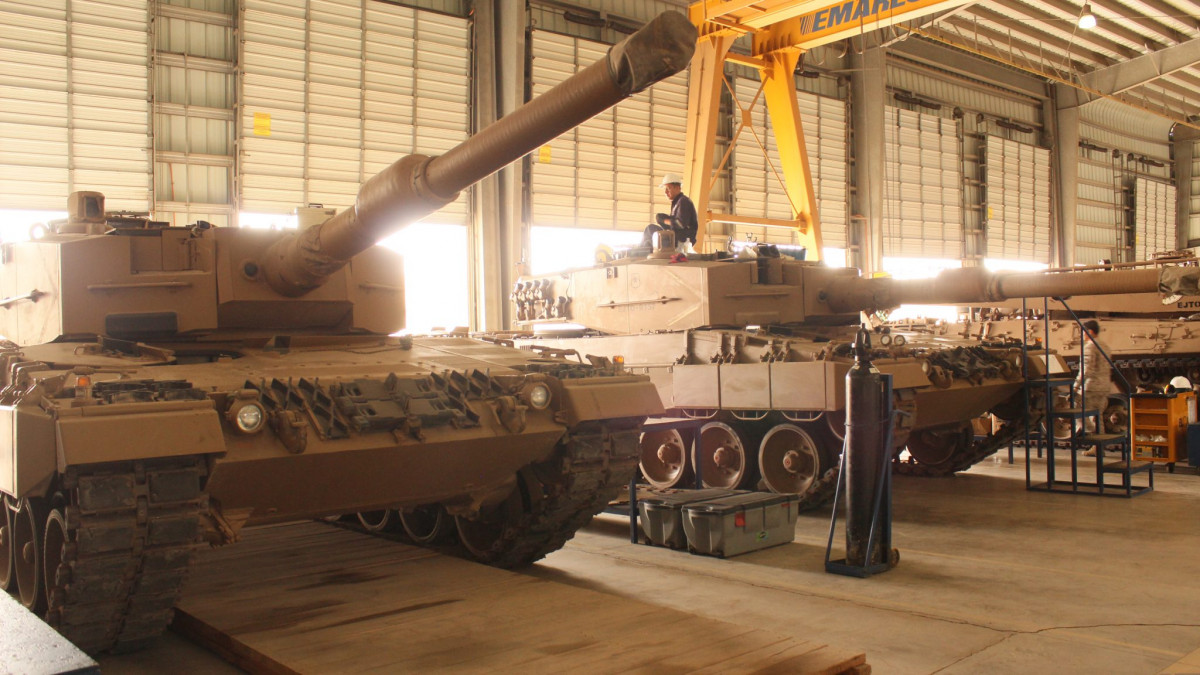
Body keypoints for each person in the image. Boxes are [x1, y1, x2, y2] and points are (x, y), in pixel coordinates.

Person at [1076, 319, 1115, 454]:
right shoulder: (1105, 346)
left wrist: (1075, 387)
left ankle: (1092, 435)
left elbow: (1086, 369)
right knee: (1097, 416)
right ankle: (1098, 447)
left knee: (1077, 411)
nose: (1082, 335)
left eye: (1083, 332)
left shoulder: (1090, 347)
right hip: (1104, 386)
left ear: (1090, 332)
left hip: (1091, 387)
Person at [655, 173, 698, 251]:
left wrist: (664, 221)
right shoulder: (677, 203)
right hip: (677, 237)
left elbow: (680, 224)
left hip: (680, 240)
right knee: (659, 217)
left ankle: (640, 252)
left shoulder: (683, 201)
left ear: (678, 187)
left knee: (651, 229)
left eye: (668, 188)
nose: (666, 192)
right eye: (665, 189)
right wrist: (661, 219)